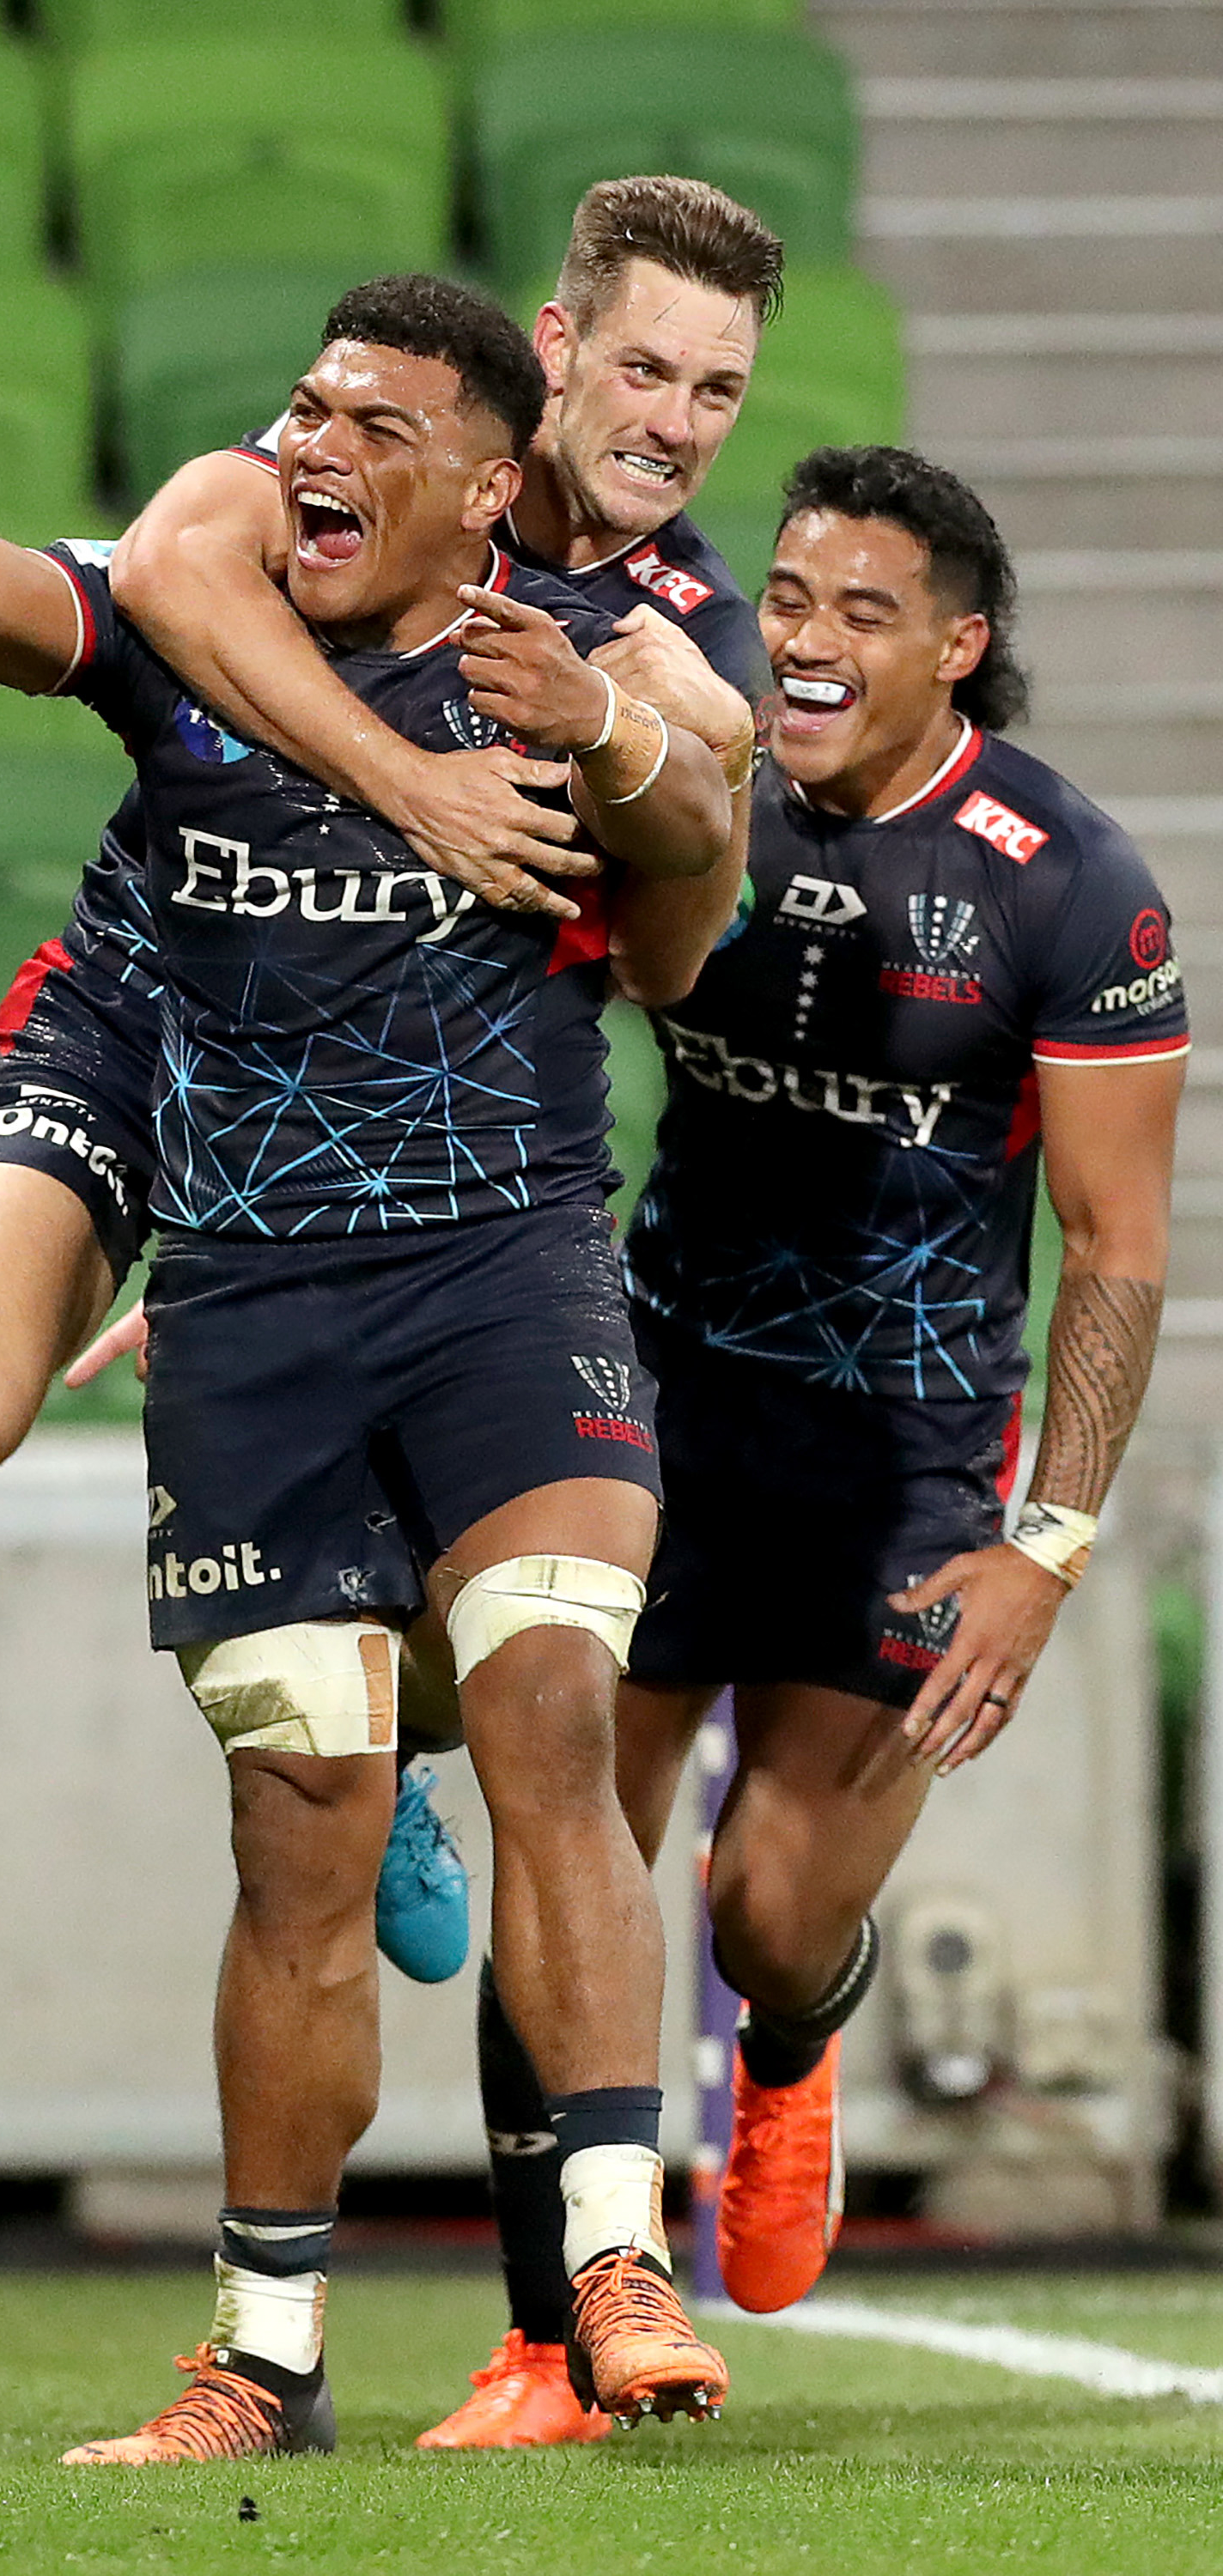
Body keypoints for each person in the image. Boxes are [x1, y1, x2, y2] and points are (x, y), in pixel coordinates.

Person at [0, 275, 739, 2460]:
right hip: (173, 1096)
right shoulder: (210, 565)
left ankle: (598, 2248)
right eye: (303, 406)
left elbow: (699, 893)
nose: (310, 444)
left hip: (475, 1234)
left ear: (499, 481)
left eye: (368, 425)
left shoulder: (615, 652)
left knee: (544, 1707)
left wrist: (638, 754)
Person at [412, 445, 1187, 2444]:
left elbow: (1114, 1246)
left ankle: (792, 2054)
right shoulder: (684, 781)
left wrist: (1053, 1542)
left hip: (907, 1465)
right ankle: (545, 2334)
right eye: (796, 596)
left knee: (765, 1907)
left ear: (959, 644)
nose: (814, 638)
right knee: (567, 1838)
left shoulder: (1074, 883)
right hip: (652, 1401)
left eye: (865, 610)